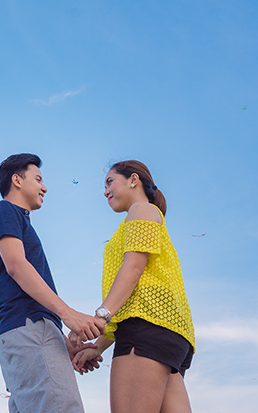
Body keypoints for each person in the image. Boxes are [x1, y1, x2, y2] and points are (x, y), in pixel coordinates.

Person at [0, 153, 105, 413]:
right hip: (28, 330)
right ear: (17, 180)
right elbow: (15, 266)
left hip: (25, 331)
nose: (44, 187)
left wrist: (63, 341)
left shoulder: (16, 219)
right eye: (38, 179)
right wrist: (68, 315)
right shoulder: (5, 210)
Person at [72, 160, 195, 413]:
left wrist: (101, 316)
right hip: (170, 337)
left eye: (110, 182)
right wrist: (98, 347)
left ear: (133, 180)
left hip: (145, 331)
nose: (105, 191)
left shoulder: (141, 210)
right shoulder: (146, 215)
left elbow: (133, 269)